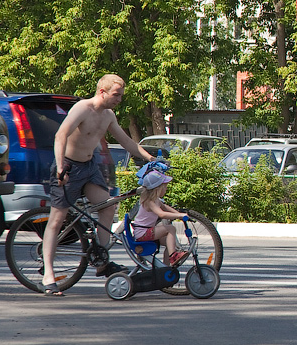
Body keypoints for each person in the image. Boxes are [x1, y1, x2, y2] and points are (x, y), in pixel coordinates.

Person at [41, 74, 156, 296]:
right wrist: (60, 166)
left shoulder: (108, 115)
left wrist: (151, 159)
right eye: (116, 95)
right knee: (56, 220)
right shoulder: (82, 108)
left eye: (121, 96)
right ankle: (48, 274)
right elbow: (60, 135)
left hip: (89, 167)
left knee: (108, 207)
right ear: (102, 92)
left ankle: (101, 260)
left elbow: (127, 142)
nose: (119, 99)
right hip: (68, 167)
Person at [132, 167, 190, 267]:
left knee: (170, 242)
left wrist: (179, 215)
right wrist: (180, 215)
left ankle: (165, 268)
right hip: (142, 233)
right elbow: (162, 214)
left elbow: (165, 207)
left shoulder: (156, 200)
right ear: (157, 188)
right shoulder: (150, 202)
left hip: (145, 231)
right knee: (170, 229)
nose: (166, 189)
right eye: (165, 186)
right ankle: (173, 257)